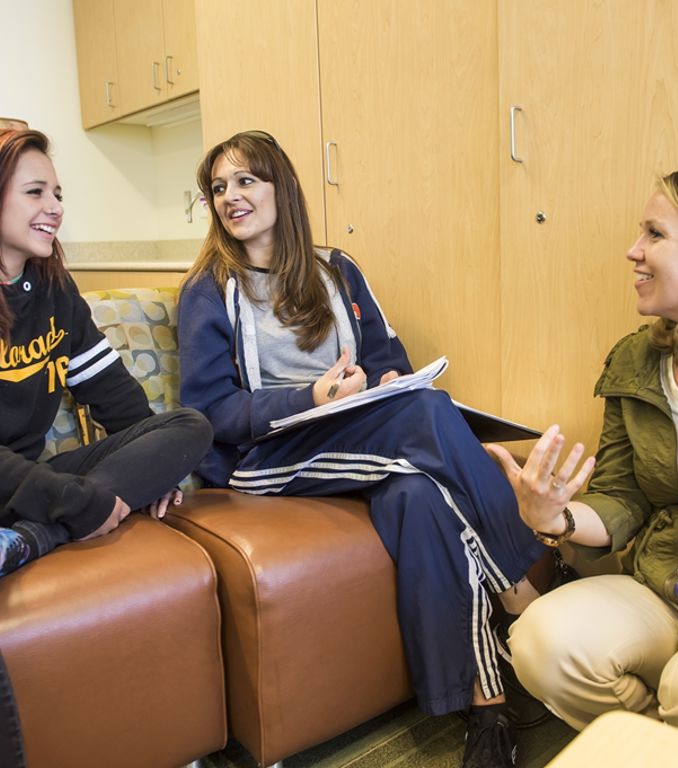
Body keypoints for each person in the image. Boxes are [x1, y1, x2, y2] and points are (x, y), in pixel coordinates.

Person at [178, 129, 566, 768]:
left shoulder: (337, 268)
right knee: (426, 412)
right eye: (218, 188)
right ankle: (523, 591)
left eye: (246, 180)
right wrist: (311, 399)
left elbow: (389, 358)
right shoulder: (209, 287)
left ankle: (483, 706)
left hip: (357, 435)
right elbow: (211, 410)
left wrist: (382, 382)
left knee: (420, 493)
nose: (229, 197)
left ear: (283, 188)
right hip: (265, 459)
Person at [487, 166, 678, 758]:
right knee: (542, 639)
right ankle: (664, 747)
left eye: (655, 235)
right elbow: (622, 496)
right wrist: (555, 518)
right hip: (663, 587)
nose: (632, 251)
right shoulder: (639, 359)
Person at [0, 128, 213, 577]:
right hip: (17, 483)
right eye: (35, 192)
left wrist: (153, 468)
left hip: (34, 486)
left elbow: (112, 392)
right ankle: (50, 524)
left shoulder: (54, 290)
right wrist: (73, 501)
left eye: (57, 193)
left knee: (188, 426)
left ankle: (32, 536)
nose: (55, 208)